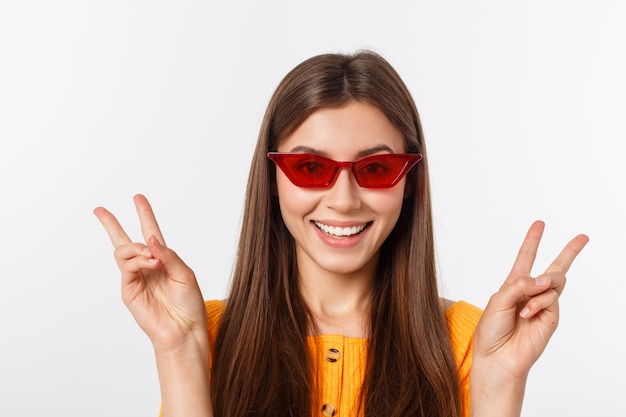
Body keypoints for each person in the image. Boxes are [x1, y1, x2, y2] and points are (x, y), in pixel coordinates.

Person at [94, 50, 589, 417]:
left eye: (375, 168)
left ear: (410, 182)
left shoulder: (468, 342)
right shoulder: (208, 334)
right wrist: (178, 353)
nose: (344, 199)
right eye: (310, 167)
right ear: (272, 180)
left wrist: (501, 382)